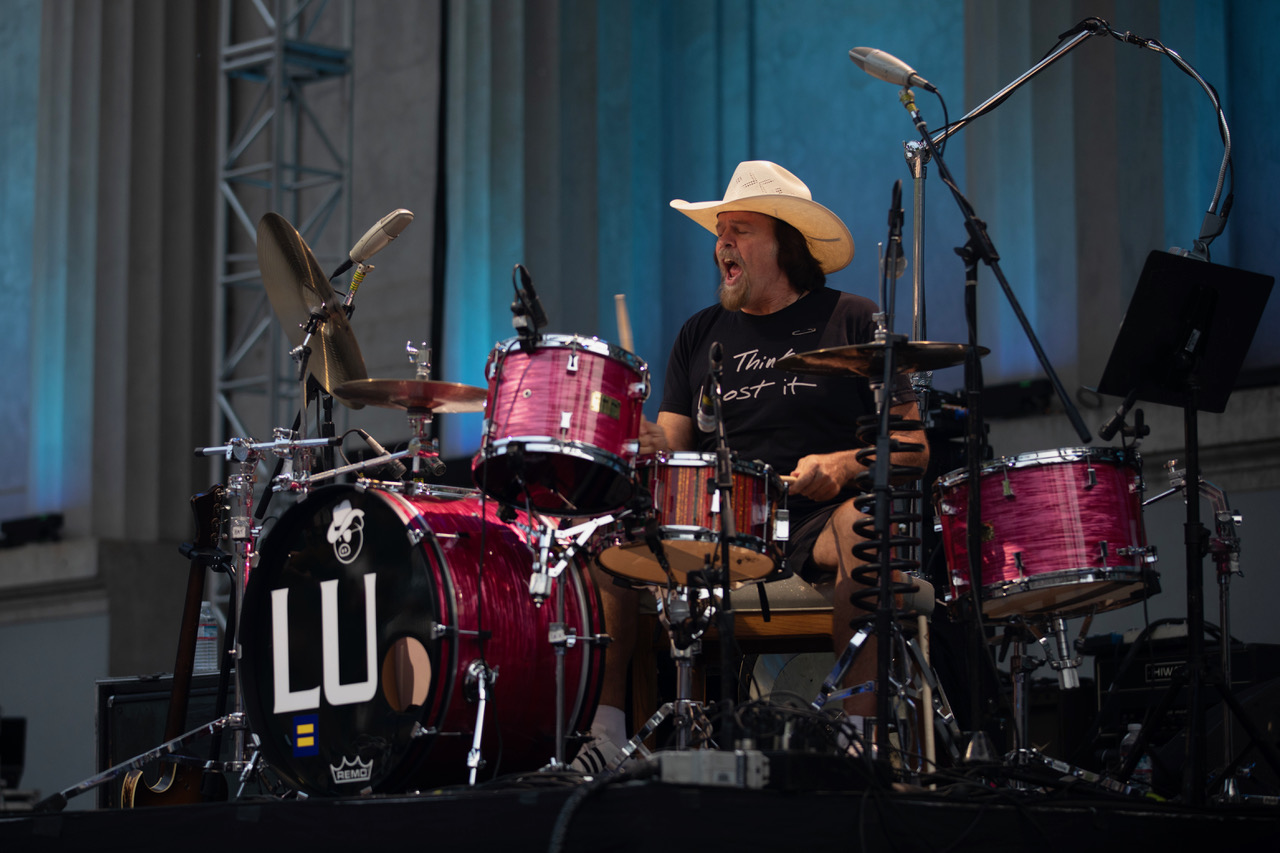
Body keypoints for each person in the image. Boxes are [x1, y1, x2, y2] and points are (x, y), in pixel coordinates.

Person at [577, 160, 928, 769]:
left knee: (865, 521)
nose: (723, 244)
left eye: (740, 229)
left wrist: (844, 466)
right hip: (724, 519)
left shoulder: (851, 317)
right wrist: (631, 428)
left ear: (785, 244)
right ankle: (605, 739)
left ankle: (861, 740)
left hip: (816, 521)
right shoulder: (700, 332)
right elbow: (676, 445)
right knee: (608, 541)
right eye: (720, 232)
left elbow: (913, 447)